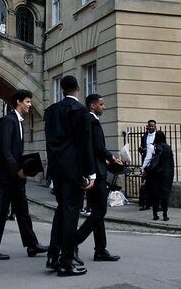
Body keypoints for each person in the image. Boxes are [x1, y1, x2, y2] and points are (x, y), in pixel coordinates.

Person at [0, 89, 48, 260]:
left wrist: (24, 167)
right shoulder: (8, 121)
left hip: (16, 176)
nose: (30, 104)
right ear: (18, 102)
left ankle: (32, 245)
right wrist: (17, 170)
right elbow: (4, 151)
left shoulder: (18, 122)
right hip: (7, 175)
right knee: (2, 211)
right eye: (27, 101)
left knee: (23, 211)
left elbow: (15, 151)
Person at [44, 75, 95, 277]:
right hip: (74, 169)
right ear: (77, 89)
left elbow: (49, 143)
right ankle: (66, 262)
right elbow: (85, 144)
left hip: (57, 169)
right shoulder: (81, 111)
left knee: (61, 212)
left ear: (63, 89)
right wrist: (90, 172)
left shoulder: (52, 111)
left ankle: (52, 256)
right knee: (70, 215)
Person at [75, 94, 121, 262]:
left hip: (95, 170)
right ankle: (74, 241)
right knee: (100, 211)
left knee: (97, 212)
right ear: (93, 106)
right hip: (97, 173)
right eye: (101, 104)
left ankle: (100, 250)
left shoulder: (91, 120)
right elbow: (97, 147)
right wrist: (111, 157)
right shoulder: (91, 121)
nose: (104, 107)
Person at [141, 130, 174, 221]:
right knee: (165, 195)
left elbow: (148, 159)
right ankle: (165, 214)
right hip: (166, 175)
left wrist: (143, 169)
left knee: (155, 195)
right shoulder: (168, 148)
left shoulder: (153, 147)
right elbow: (171, 162)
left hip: (155, 175)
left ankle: (155, 215)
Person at [138, 120, 159, 210]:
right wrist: (141, 149)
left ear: (155, 126)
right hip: (146, 161)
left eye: (152, 126)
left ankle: (156, 204)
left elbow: (160, 148)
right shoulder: (144, 136)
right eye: (149, 126)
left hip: (154, 162)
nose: (150, 128)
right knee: (146, 183)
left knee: (155, 183)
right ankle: (146, 203)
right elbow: (143, 147)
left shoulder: (158, 136)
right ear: (147, 126)